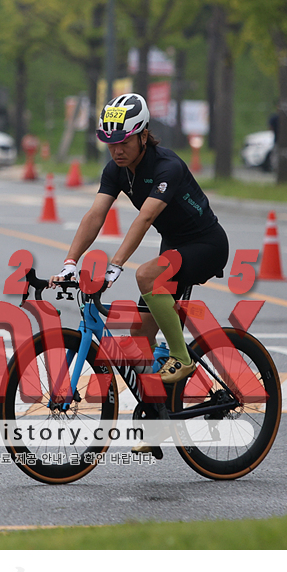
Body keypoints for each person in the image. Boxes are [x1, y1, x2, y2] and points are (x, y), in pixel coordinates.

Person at [51, 93, 230, 385]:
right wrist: (70, 262)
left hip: (206, 245)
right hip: (173, 245)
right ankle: (158, 402)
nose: (117, 150)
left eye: (124, 142)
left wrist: (116, 264)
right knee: (140, 336)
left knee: (146, 274)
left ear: (144, 136)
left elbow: (145, 218)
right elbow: (95, 215)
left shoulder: (167, 166)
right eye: (110, 143)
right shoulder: (116, 170)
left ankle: (182, 358)